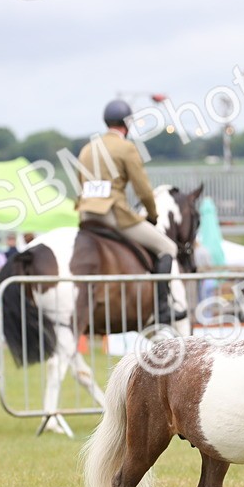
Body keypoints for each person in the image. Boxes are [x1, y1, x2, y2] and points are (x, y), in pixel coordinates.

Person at [75, 99, 182, 323]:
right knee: (167, 247)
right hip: (113, 215)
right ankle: (163, 308)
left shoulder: (87, 149)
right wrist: (152, 216)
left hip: (86, 215)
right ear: (127, 123)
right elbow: (143, 190)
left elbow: (80, 183)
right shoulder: (126, 148)